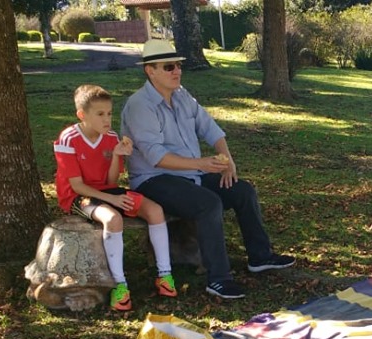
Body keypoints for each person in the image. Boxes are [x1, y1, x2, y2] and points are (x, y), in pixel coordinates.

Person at [120, 40, 294, 300]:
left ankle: (260, 257)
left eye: (178, 65)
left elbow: (210, 128)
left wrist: (228, 161)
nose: (176, 71)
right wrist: (201, 164)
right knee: (208, 203)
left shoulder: (182, 96)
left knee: (242, 190)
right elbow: (156, 157)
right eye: (168, 67)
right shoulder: (139, 106)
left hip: (190, 174)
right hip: (153, 180)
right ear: (150, 70)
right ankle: (219, 279)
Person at [54, 84, 176, 312]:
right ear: (82, 115)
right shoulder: (68, 138)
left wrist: (116, 155)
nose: (107, 119)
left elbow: (111, 183)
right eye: (100, 114)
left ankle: (165, 275)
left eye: (109, 113)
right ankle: (120, 285)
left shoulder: (111, 137)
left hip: (107, 192)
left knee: (155, 210)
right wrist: (111, 200)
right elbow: (77, 186)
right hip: (78, 197)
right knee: (112, 219)